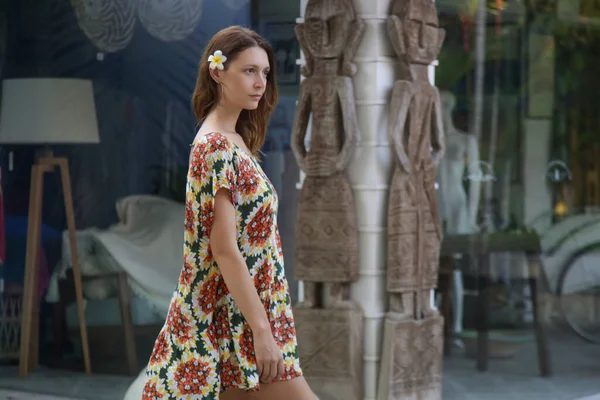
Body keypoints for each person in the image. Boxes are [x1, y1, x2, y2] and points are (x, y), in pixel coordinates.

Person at [142, 26, 315, 400]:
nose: (260, 83)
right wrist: (262, 331)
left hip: (247, 309)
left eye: (265, 73)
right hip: (236, 314)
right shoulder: (215, 147)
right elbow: (223, 248)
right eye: (249, 71)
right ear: (217, 72)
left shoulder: (235, 141)